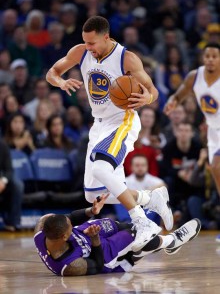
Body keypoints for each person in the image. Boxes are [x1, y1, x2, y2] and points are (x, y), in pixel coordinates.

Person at [46, 15, 173, 251]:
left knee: (101, 168)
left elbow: (152, 89)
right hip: (99, 125)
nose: (88, 47)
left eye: (92, 43)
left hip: (122, 120)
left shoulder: (127, 58)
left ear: (106, 37)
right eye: (85, 42)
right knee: (94, 195)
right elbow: (52, 72)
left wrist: (148, 97)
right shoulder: (81, 51)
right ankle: (149, 199)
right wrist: (60, 82)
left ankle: (141, 221)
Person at [34, 194, 201, 276]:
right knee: (138, 238)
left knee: (131, 227)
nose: (71, 222)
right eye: (70, 227)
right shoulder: (70, 266)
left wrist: (91, 211)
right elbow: (99, 265)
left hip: (86, 234)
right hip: (101, 254)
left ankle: (167, 243)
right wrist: (95, 240)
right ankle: (172, 240)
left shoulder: (44, 224)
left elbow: (69, 218)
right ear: (64, 237)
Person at [164, 43, 220, 197]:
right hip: (214, 129)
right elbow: (180, 94)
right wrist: (172, 102)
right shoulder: (194, 76)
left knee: (217, 165)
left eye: (214, 56)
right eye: (207, 56)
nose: (210, 60)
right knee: (215, 168)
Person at [0, 138, 24, 231]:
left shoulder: (2, 145)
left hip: (1, 178)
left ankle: (13, 223)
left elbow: (9, 169)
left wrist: (3, 181)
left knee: (18, 185)